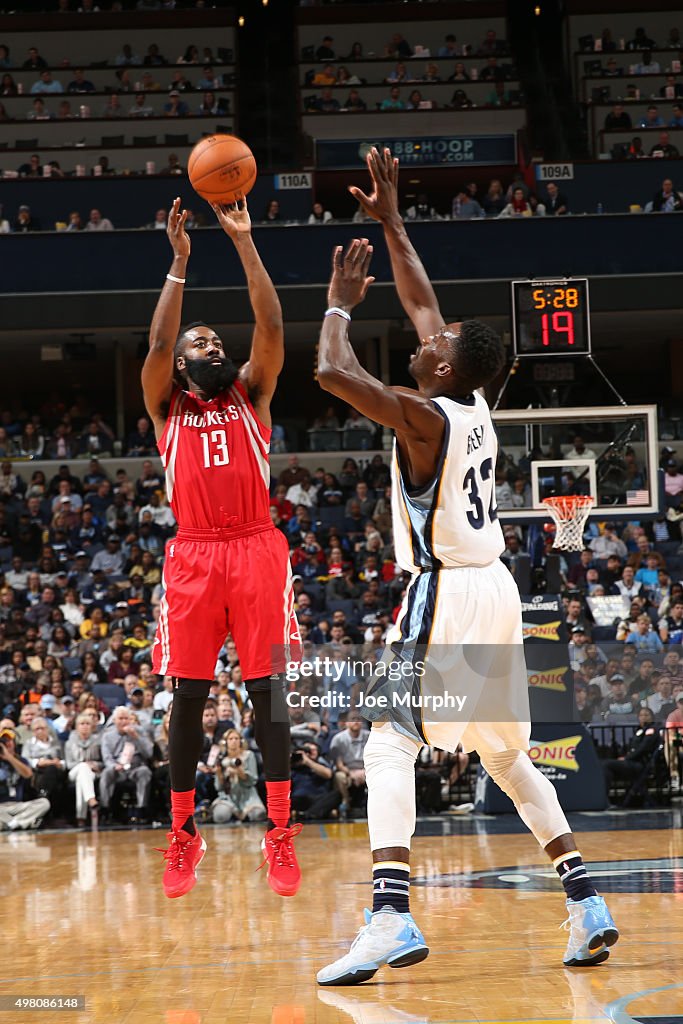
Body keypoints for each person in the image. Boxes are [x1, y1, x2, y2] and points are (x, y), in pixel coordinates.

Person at [314, 146, 618, 986]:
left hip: (445, 590)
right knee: (507, 758)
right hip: (495, 589)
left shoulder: (422, 415)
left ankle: (388, 916)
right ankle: (585, 900)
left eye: (435, 341)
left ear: (442, 367)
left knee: (386, 743)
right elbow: (420, 299)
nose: (426, 334)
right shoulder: (471, 400)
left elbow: (330, 371)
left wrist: (337, 307)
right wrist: (392, 222)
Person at [142, 195, 302, 900]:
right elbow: (154, 347)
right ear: (178, 368)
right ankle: (182, 834)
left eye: (215, 341)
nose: (211, 347)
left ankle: (280, 831)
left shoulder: (252, 392)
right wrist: (178, 264)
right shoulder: (164, 404)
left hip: (256, 548)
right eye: (197, 344)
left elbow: (269, 323)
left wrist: (242, 242)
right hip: (195, 555)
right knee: (187, 698)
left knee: (269, 695)